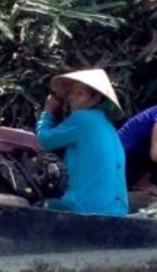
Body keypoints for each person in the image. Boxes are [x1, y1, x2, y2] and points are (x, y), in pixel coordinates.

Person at [35, 68, 128, 216]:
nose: (72, 98)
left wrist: (48, 112)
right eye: (72, 93)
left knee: (35, 203)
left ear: (96, 99)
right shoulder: (107, 125)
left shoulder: (83, 119)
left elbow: (44, 140)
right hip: (117, 209)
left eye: (80, 93)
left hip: (86, 207)